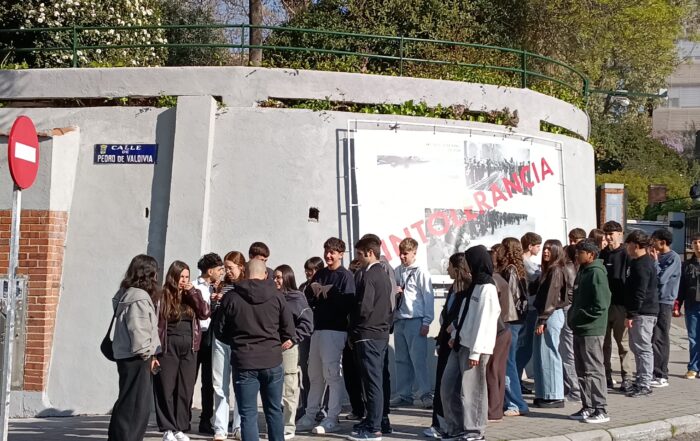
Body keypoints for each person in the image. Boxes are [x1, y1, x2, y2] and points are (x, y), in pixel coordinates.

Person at [212, 260, 296, 441]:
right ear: (266, 275)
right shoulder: (277, 296)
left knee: (248, 414)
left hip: (244, 361)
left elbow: (219, 331)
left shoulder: (231, 297)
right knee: (274, 410)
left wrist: (236, 342)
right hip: (272, 360)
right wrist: (274, 343)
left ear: (244, 273)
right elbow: (289, 331)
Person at [440, 245, 501, 441]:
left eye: (467, 260)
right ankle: (455, 428)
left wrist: (476, 351)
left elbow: (485, 321)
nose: (465, 264)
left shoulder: (487, 287)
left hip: (474, 348)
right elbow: (465, 316)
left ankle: (475, 431)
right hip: (460, 343)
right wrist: (455, 334)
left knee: (472, 392)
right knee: (447, 387)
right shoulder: (474, 284)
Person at [297, 237, 356, 435]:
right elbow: (308, 296)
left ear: (341, 254)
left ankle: (332, 417)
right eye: (326, 251)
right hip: (317, 329)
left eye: (332, 252)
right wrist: (315, 292)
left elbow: (348, 304)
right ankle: (310, 414)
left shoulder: (346, 276)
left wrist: (329, 293)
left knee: (332, 374)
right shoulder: (320, 273)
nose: (328, 255)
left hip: (335, 330)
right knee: (314, 374)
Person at [154, 261, 211, 441]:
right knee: (166, 387)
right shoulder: (163, 295)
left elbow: (205, 313)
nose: (184, 280)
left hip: (190, 346)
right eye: (181, 277)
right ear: (173, 277)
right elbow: (156, 324)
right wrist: (154, 351)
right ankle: (167, 428)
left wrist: (193, 293)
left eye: (187, 277)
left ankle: (180, 427)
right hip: (168, 344)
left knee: (185, 389)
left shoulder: (191, 295)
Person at [108, 255, 162, 441]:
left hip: (127, 356)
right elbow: (139, 330)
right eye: (155, 272)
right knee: (136, 406)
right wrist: (148, 353)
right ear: (148, 274)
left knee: (127, 401)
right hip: (137, 358)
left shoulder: (127, 293)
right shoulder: (139, 297)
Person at [346, 237, 393, 441]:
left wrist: (354, 329)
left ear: (369, 252)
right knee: (376, 381)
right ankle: (375, 420)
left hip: (368, 334)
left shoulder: (369, 275)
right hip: (379, 333)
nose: (358, 258)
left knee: (372, 382)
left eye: (359, 254)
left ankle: (374, 428)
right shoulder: (383, 273)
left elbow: (364, 308)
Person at [424, 253, 471, 438]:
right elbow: (446, 316)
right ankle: (439, 423)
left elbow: (461, 316)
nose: (447, 269)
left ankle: (449, 424)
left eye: (449, 266)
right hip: (445, 341)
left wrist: (453, 329)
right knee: (442, 385)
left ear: (457, 268)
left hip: (456, 343)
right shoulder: (453, 288)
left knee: (451, 387)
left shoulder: (466, 289)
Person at [567, 239, 612, 424]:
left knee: (593, 369)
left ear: (591, 255)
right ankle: (588, 406)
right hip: (579, 329)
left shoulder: (596, 273)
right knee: (582, 369)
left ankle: (600, 408)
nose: (577, 255)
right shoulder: (583, 271)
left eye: (580, 252)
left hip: (591, 329)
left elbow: (601, 304)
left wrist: (580, 316)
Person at [391, 238, 435, 409]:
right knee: (401, 359)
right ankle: (404, 394)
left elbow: (428, 296)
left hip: (415, 320)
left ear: (414, 253)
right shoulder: (397, 270)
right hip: (400, 319)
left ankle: (425, 393)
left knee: (418, 359)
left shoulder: (421, 272)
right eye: (400, 253)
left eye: (405, 254)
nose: (402, 257)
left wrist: (426, 321)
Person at [273, 265, 314, 440]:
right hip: (271, 347)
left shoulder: (296, 298)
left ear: (287, 278)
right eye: (274, 277)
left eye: (279, 277)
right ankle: (276, 423)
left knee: (290, 386)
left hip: (289, 349)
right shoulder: (271, 297)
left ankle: (289, 426)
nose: (275, 280)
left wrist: (293, 339)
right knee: (273, 386)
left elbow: (308, 323)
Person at [532, 240, 572, 408]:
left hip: (550, 315)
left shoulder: (556, 270)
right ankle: (544, 393)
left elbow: (552, 297)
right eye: (545, 248)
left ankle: (555, 395)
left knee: (550, 353)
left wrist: (543, 319)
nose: (546, 251)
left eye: (550, 249)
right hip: (546, 314)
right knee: (541, 355)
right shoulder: (548, 269)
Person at [212, 251, 246, 441]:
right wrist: (215, 300)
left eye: (230, 268)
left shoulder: (246, 286)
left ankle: (239, 426)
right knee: (219, 384)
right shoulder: (222, 285)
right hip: (220, 338)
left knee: (240, 383)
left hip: (239, 339)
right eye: (225, 268)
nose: (227, 272)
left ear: (241, 267)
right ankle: (220, 427)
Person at [624, 230, 659, 398]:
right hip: (639, 312)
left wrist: (631, 314)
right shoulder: (637, 262)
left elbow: (640, 292)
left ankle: (645, 383)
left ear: (636, 245)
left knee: (643, 348)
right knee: (636, 346)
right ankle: (640, 380)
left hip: (644, 312)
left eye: (628, 244)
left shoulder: (643, 264)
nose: (627, 248)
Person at [192, 253, 225, 435]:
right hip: (196, 335)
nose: (221, 273)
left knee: (209, 381)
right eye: (219, 269)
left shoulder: (217, 288)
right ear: (210, 271)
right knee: (190, 379)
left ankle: (206, 419)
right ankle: (183, 417)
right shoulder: (194, 287)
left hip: (211, 337)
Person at [600, 221, 633, 391]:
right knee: (604, 344)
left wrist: (630, 309)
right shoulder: (602, 254)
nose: (608, 238)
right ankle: (606, 375)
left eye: (611, 234)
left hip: (620, 305)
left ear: (620, 234)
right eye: (606, 234)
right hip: (604, 305)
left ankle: (627, 377)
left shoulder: (626, 254)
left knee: (623, 344)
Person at [500, 237, 529, 417]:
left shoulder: (510, 270)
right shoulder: (518, 269)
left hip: (511, 321)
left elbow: (509, 299)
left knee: (508, 362)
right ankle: (511, 401)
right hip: (516, 321)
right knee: (509, 361)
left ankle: (516, 403)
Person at [486, 244, 516, 422]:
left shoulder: (492, 281)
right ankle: (496, 408)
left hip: (497, 329)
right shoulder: (498, 278)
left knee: (493, 369)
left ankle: (493, 409)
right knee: (498, 369)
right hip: (504, 327)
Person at [649, 229, 681, 388]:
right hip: (654, 300)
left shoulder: (673, 258)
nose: (652, 243)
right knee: (653, 338)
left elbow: (661, 279)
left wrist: (655, 262)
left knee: (660, 337)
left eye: (654, 240)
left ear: (662, 242)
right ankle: (654, 371)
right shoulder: (657, 256)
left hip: (665, 301)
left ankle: (662, 375)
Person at [297, 256, 324, 420]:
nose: (309, 273)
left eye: (313, 270)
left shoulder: (323, 287)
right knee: (305, 370)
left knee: (322, 371)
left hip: (320, 331)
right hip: (304, 334)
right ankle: (307, 405)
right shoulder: (302, 287)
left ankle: (323, 407)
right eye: (307, 269)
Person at [516, 232, 542, 396]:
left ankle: (517, 379)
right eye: (538, 246)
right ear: (530, 246)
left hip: (529, 308)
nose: (540, 249)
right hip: (529, 308)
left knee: (524, 347)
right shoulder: (526, 264)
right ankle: (516, 380)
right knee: (525, 347)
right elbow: (536, 276)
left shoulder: (528, 263)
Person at [679, 233, 700, 379]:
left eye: (699, 242)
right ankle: (693, 367)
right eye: (694, 242)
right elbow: (681, 287)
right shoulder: (687, 265)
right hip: (692, 305)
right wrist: (677, 304)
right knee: (693, 338)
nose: (697, 245)